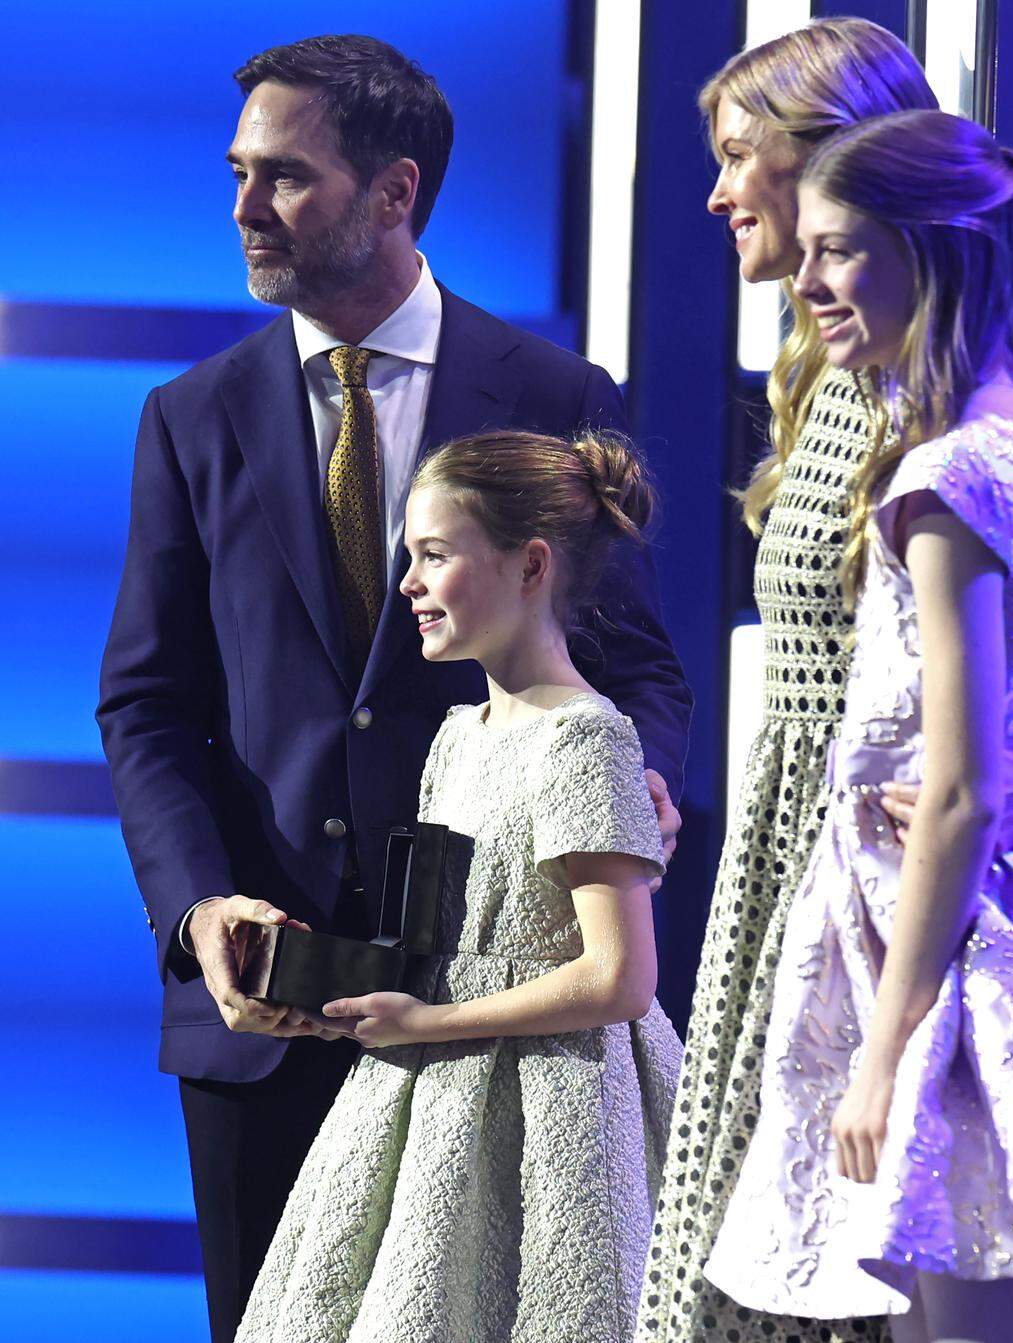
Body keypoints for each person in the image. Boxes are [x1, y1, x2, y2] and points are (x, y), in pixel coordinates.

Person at [96, 35, 690, 1343]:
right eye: (239, 174)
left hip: (492, 1032)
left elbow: (640, 662)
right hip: (262, 1013)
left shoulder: (551, 395)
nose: (245, 208)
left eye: (284, 178)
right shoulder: (188, 418)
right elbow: (145, 706)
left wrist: (630, 789)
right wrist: (200, 910)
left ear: (395, 193)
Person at [637, 19, 1013, 1343]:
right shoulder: (914, 390)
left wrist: (1002, 782)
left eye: (746, 158)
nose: (726, 195)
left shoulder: (937, 423)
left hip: (899, 885)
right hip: (832, 857)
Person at [232, 429, 684, 1343]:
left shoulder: (586, 739)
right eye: (410, 555)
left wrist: (426, 1023)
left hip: (556, 1118)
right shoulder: (459, 734)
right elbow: (446, 943)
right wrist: (333, 994)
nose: (408, 583)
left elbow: (621, 979)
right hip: (432, 1095)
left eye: (434, 555)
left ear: (531, 566)